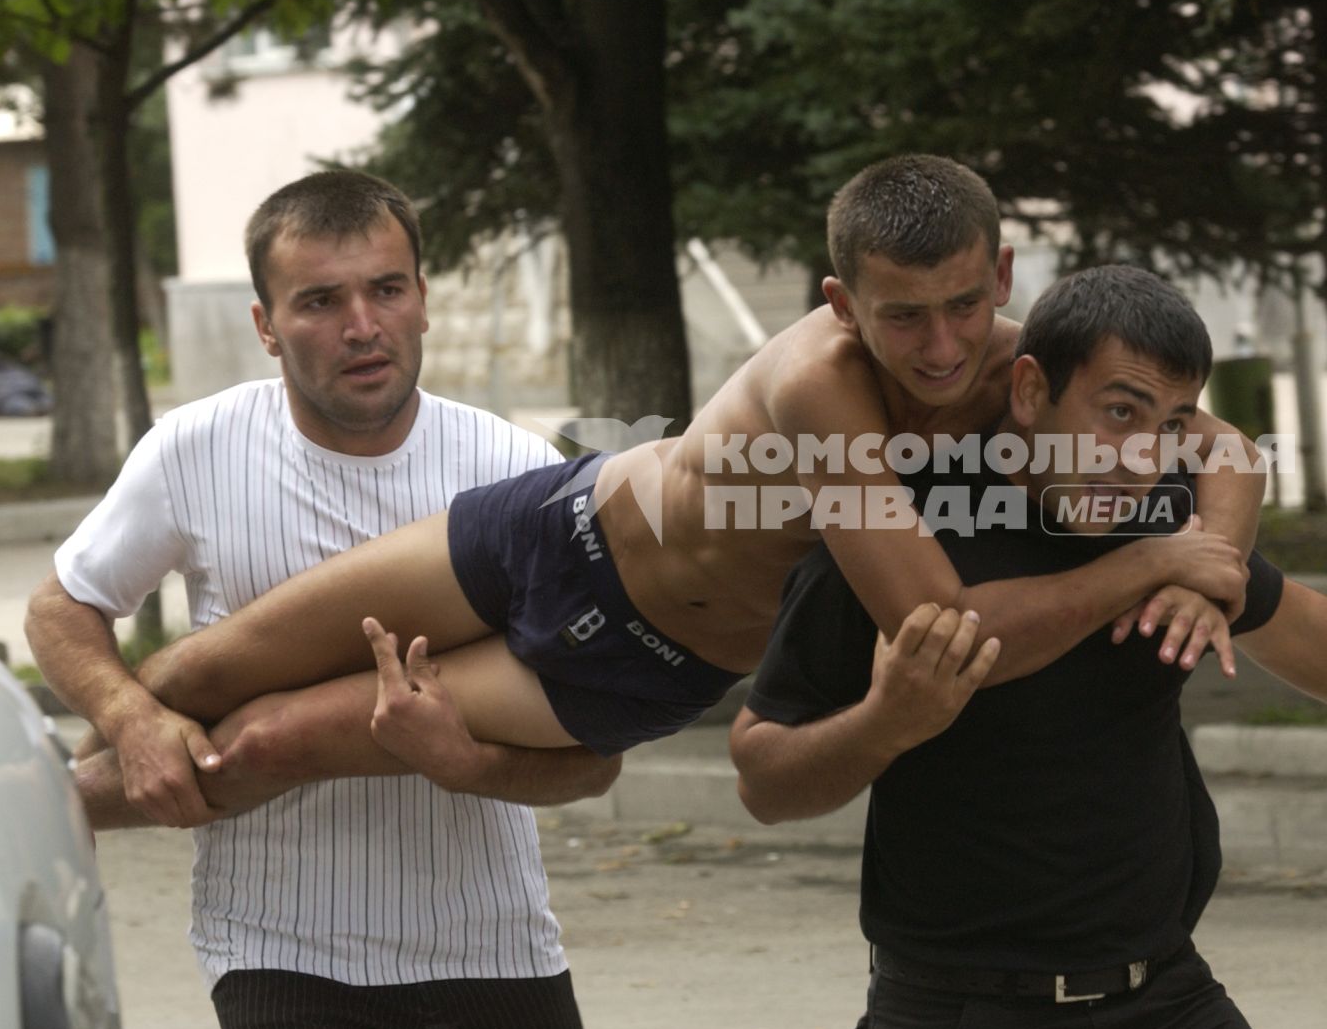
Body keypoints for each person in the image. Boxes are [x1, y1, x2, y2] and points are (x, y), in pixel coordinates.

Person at [121, 155, 1266, 791]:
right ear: (840, 304)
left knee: (264, 744)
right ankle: (30, 799)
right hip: (562, 532)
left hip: (652, 661)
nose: (940, 346)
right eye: (900, 317)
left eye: (966, 304)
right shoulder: (823, 382)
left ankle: (57, 827)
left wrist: (1210, 567)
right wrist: (1166, 560)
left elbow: (1222, 448)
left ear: (1002, 273)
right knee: (209, 670)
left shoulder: (1032, 369)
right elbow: (935, 619)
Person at [729, 266, 1327, 1029]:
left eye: (1173, 425)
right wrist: (884, 722)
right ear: (1030, 391)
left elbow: (1297, 623)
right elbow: (764, 777)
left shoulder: (1167, 519)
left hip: (1170, 1014)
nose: (1146, 458)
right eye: (1121, 413)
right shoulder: (899, 544)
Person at [23, 171, 616, 1029]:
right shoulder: (196, 449)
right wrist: (129, 716)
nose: (362, 324)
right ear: (267, 325)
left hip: (493, 947)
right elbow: (63, 606)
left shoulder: (519, 479)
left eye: (386, 288)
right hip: (281, 954)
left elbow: (594, 762)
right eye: (320, 300)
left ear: (422, 298)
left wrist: (466, 762)